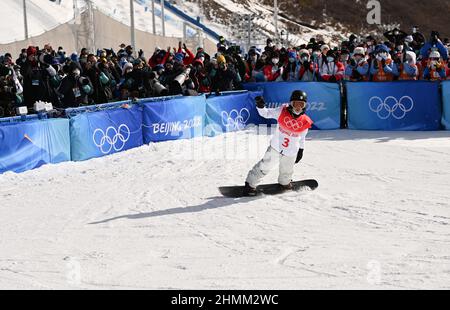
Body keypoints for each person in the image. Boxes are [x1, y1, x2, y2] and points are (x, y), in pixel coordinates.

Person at [244, 90, 313, 196]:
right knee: (265, 166)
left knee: (287, 170)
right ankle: (250, 184)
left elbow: (302, 138)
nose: (298, 107)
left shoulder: (305, 121)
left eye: (301, 104)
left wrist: (301, 150)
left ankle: (285, 183)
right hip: (276, 147)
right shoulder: (282, 110)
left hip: (291, 151)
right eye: (296, 104)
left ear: (305, 105)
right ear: (291, 103)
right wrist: (260, 106)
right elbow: (266, 114)